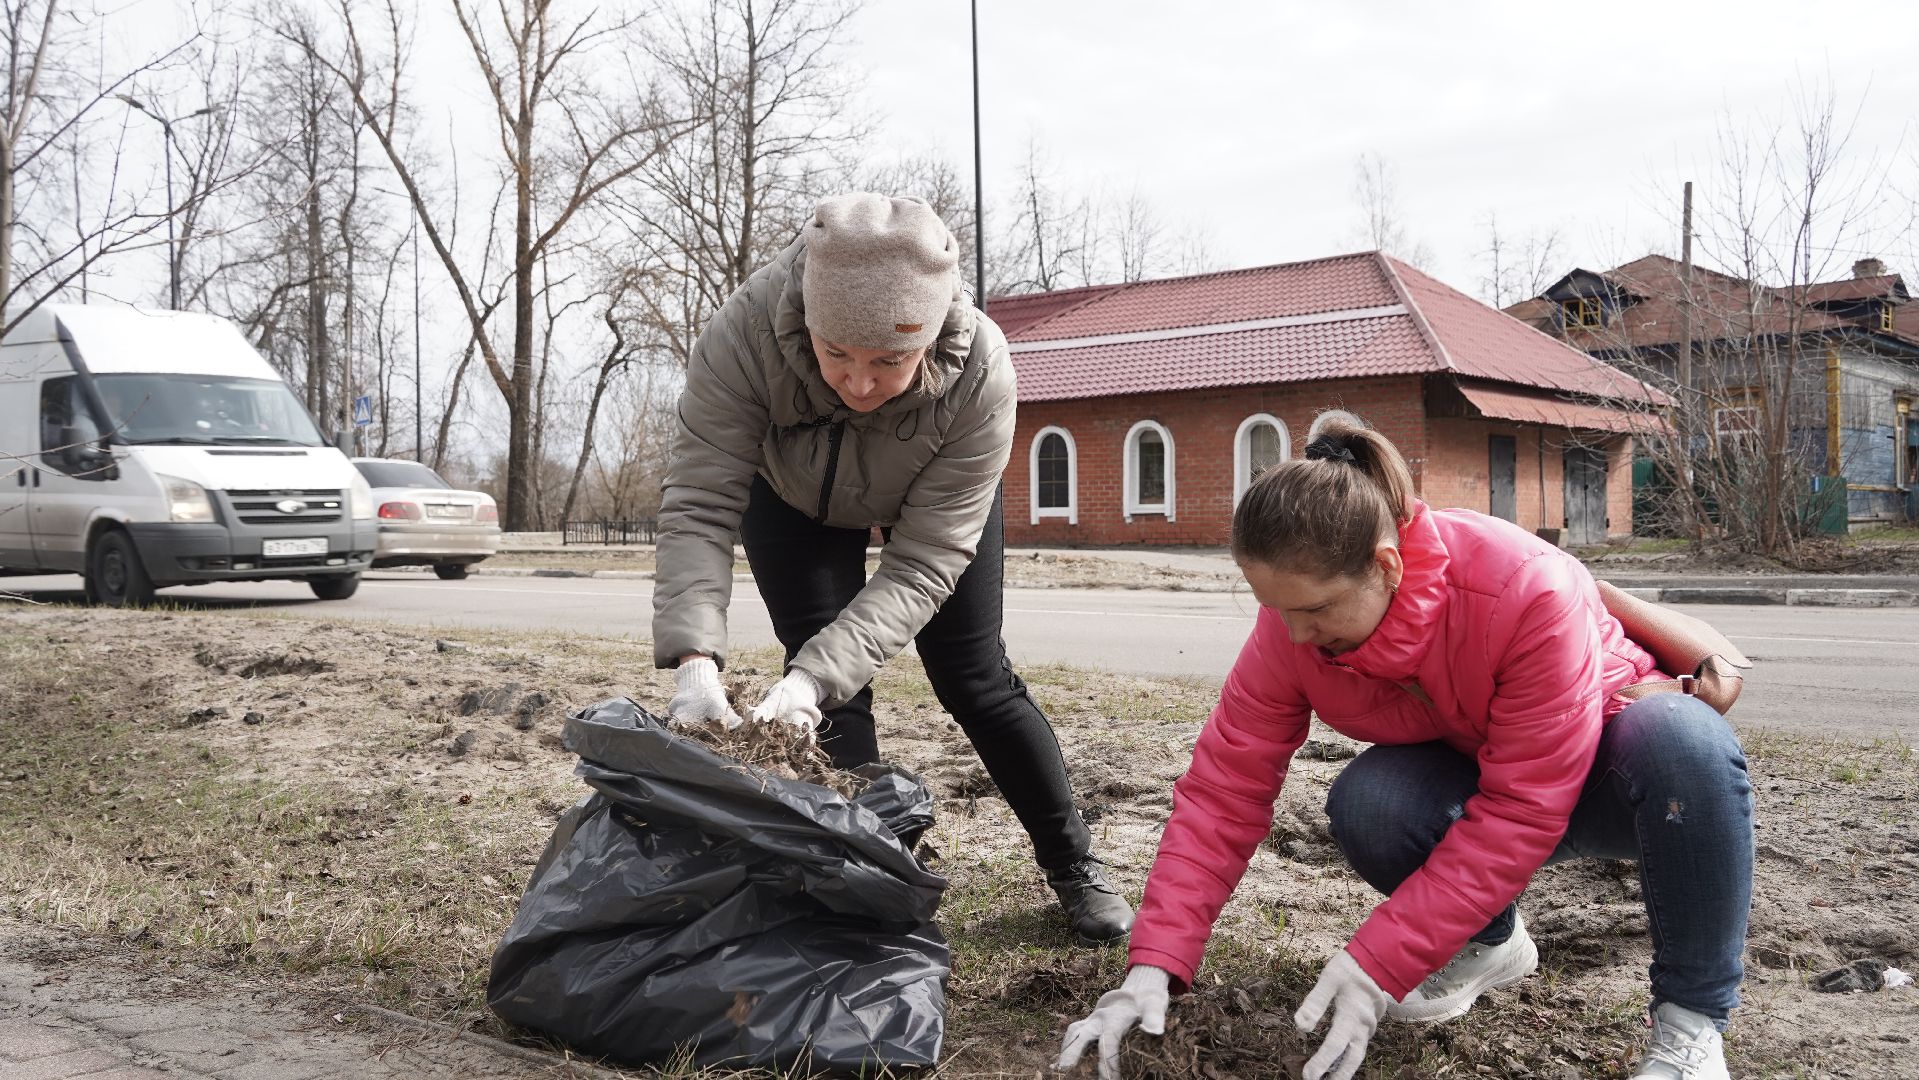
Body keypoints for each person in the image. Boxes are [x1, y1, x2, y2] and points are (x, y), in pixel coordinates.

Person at [1057, 411, 1753, 1080]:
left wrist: (1377, 962)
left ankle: (1689, 1029)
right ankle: (1489, 943)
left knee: (1682, 739)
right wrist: (1155, 966)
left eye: (1314, 611)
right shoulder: (1293, 628)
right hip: (1485, 774)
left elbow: (1520, 809)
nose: (1294, 636)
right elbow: (1222, 791)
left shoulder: (1520, 588)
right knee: (1372, 800)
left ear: (1386, 565)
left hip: (1616, 779)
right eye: (1275, 609)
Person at [650, 192, 1133, 944]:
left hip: (928, 504)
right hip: (791, 494)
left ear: (930, 334)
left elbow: (923, 562)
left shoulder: (980, 371)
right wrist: (693, 662)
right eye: (834, 353)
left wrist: (817, 675)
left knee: (975, 678)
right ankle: (869, 878)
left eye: (889, 361)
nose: (859, 383)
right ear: (805, 318)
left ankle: (1072, 865)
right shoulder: (744, 333)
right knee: (826, 684)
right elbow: (698, 503)